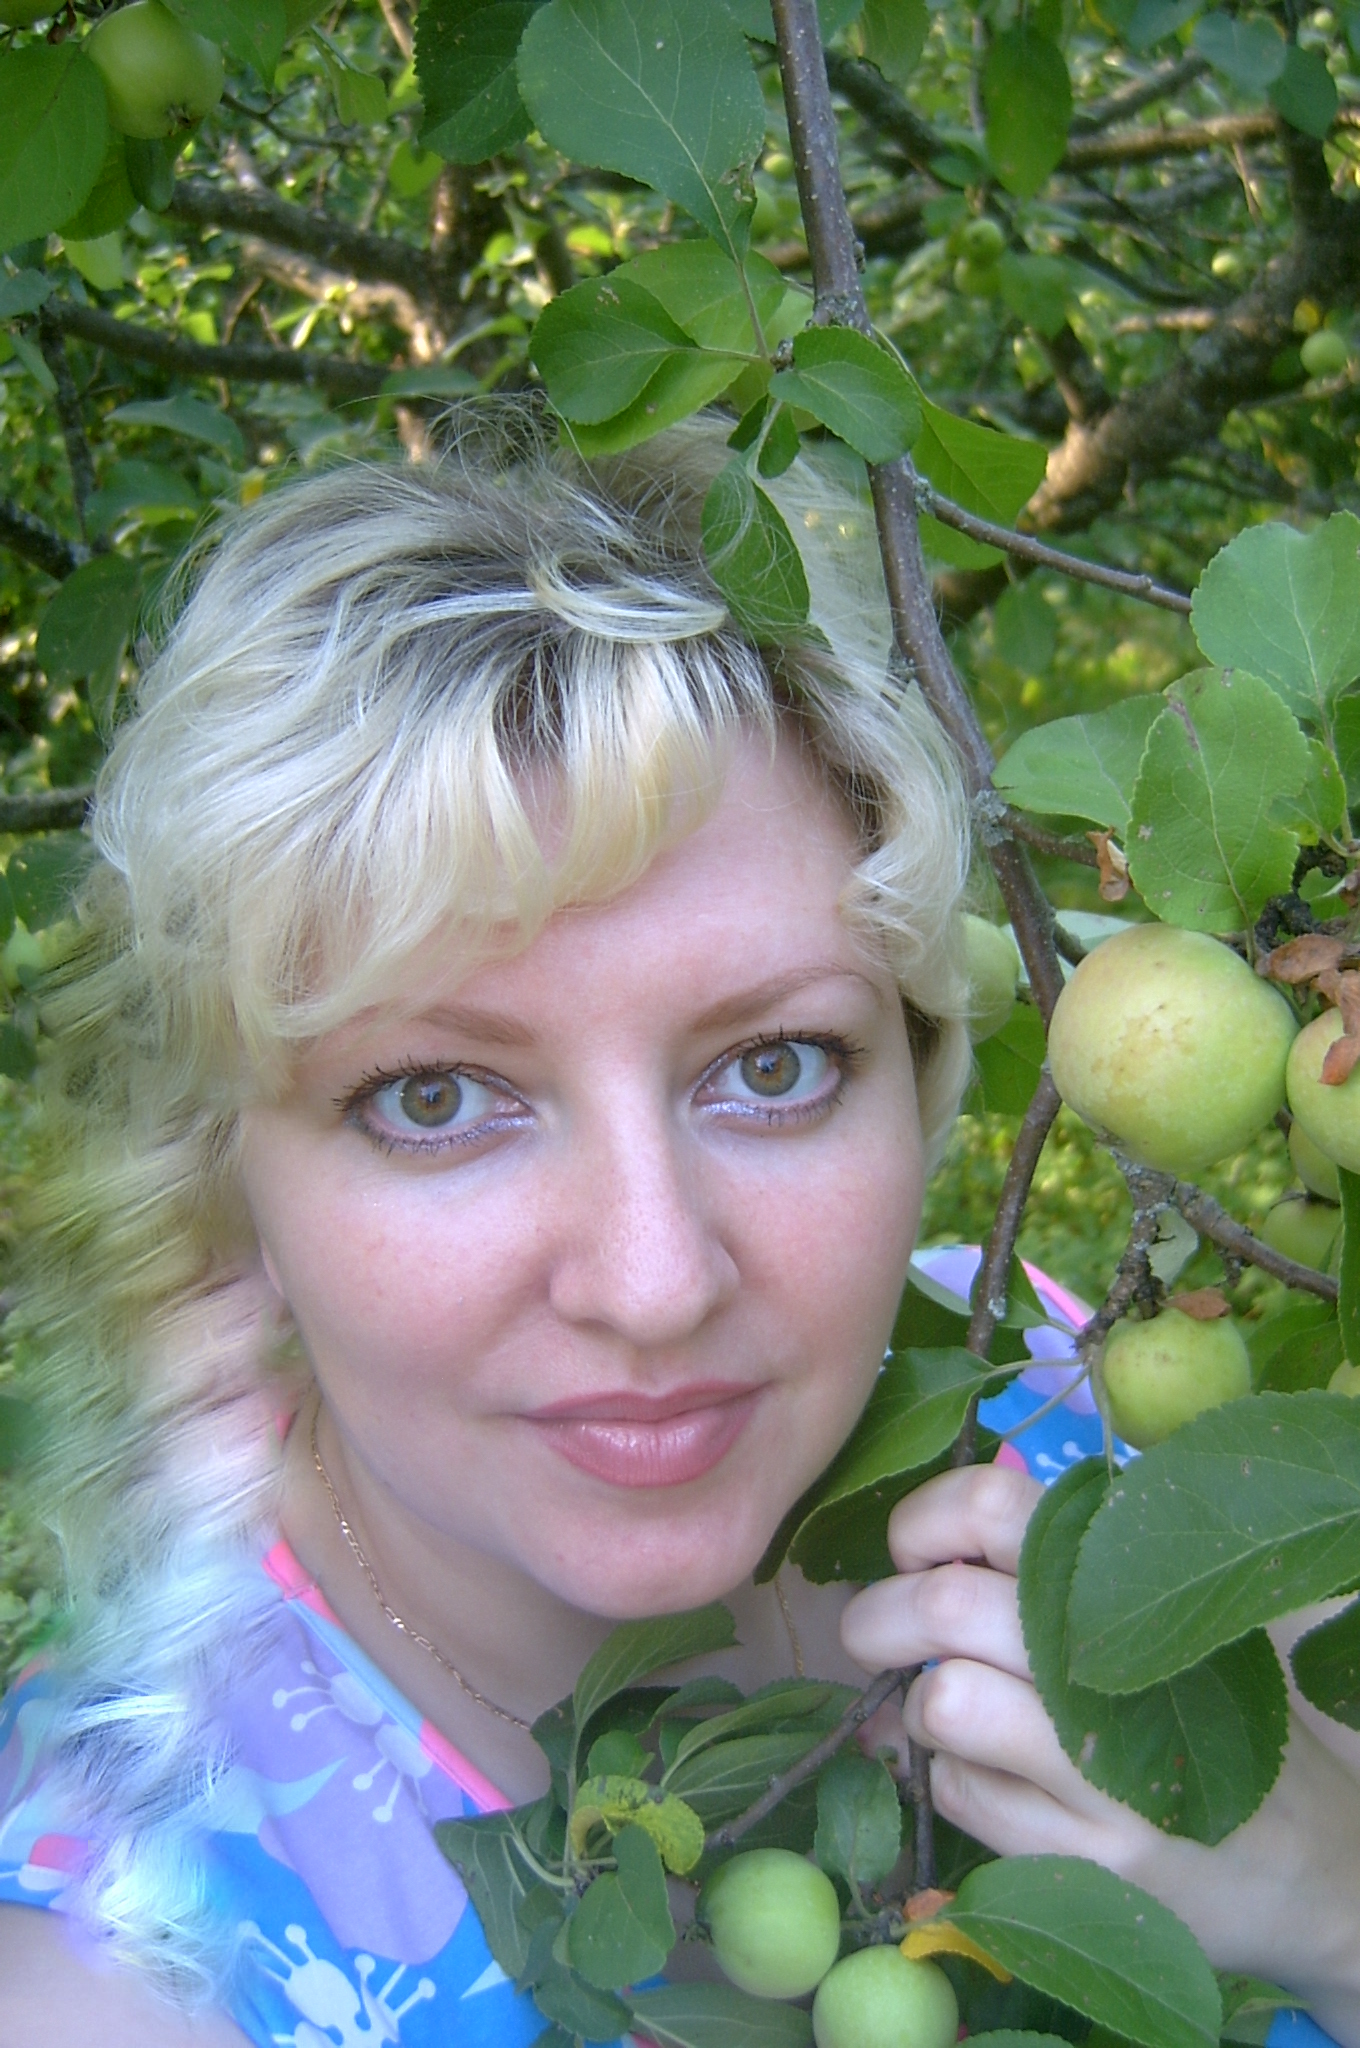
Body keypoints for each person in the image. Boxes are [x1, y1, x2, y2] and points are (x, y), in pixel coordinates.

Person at [0, 410, 1355, 2048]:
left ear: (918, 1076)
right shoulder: (132, 1964)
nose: (654, 1285)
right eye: (435, 1097)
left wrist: (1333, 1902)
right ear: (229, 1180)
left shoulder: (1070, 1421)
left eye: (773, 1068)